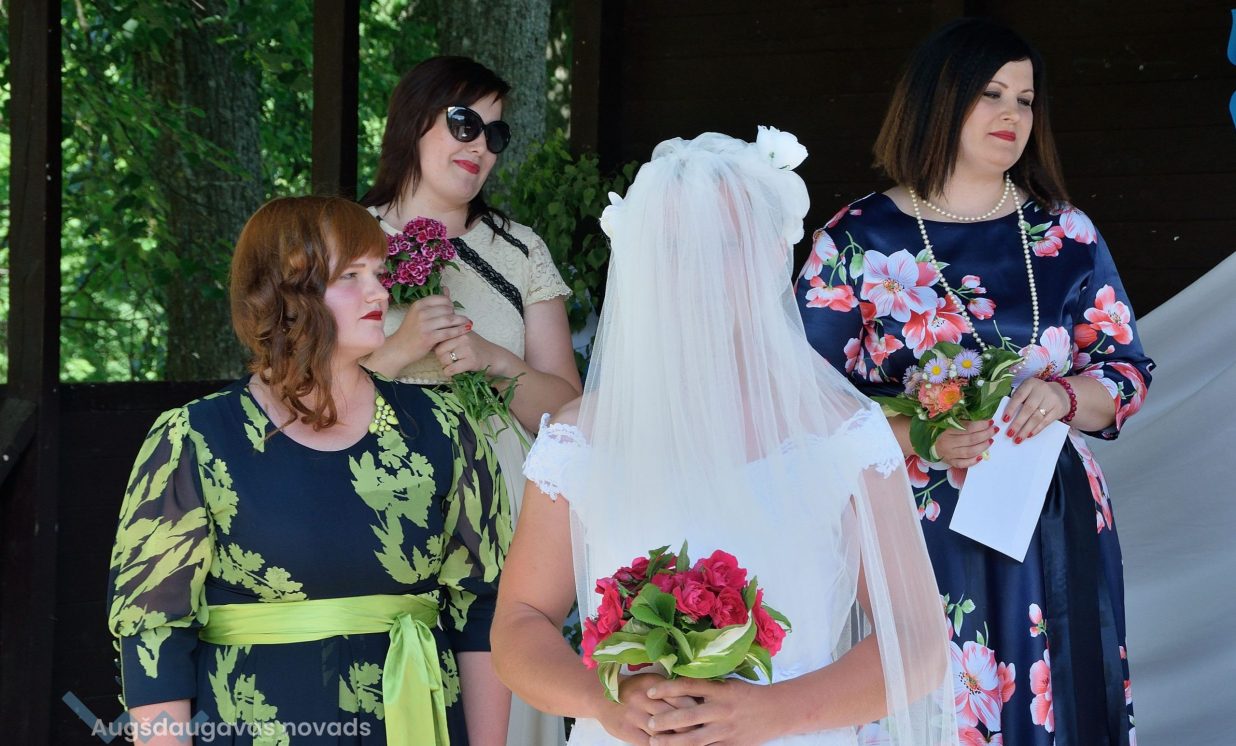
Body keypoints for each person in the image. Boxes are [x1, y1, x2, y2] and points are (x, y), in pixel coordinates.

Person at [491, 129, 957, 746]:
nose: (703, 268)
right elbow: (520, 623)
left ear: (773, 252)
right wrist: (602, 701)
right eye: (677, 246)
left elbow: (919, 644)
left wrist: (769, 713)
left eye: (729, 244)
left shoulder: (843, 433)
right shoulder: (582, 440)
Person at [796, 18, 1152, 746]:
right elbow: (800, 400)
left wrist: (1063, 395)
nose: (1012, 114)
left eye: (1025, 99)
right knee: (935, 705)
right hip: (914, 519)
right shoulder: (857, 239)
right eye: (991, 93)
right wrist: (918, 436)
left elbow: (1125, 370)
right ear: (939, 99)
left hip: (1052, 513)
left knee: (1063, 705)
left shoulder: (1066, 233)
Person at [106, 196, 510, 745]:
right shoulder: (194, 438)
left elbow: (483, 607)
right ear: (282, 292)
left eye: (379, 273)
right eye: (351, 275)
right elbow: (153, 631)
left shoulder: (445, 426)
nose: (379, 292)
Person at [360, 57, 581, 744]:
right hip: (370, 500)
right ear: (413, 121)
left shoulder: (520, 251)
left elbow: (570, 413)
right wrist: (400, 352)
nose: (481, 145)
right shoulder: (344, 238)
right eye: (464, 123)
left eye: (496, 134)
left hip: (502, 507)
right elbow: (297, 389)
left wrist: (497, 362)